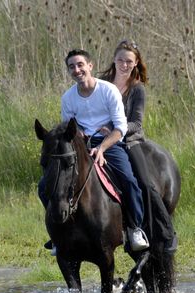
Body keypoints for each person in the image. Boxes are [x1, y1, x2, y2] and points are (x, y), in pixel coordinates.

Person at [39, 48, 149, 254]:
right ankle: (57, 233)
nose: (76, 70)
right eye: (71, 66)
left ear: (90, 66)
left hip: (110, 142)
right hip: (80, 145)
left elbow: (121, 127)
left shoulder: (108, 90)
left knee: (129, 180)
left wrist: (102, 148)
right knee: (44, 185)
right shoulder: (68, 98)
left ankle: (135, 229)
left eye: (80, 65)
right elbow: (70, 127)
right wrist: (82, 139)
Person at [99, 39, 176, 250]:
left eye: (129, 62)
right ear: (114, 60)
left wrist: (116, 130)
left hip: (130, 141)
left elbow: (136, 123)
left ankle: (166, 232)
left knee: (144, 182)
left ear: (135, 64)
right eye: (121, 60)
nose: (124, 65)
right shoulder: (101, 83)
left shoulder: (137, 89)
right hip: (100, 139)